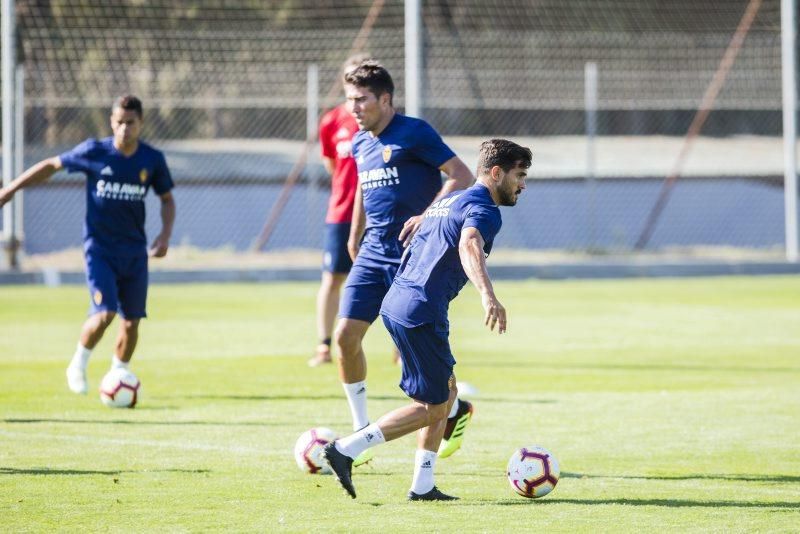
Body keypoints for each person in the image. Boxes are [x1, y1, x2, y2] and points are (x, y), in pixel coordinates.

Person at [324, 138, 532, 501]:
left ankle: (422, 485)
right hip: (419, 310)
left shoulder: (451, 200)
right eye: (519, 175)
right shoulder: (485, 209)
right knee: (434, 406)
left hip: (402, 303)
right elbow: (469, 244)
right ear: (496, 173)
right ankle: (347, 448)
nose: (523, 185)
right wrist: (487, 294)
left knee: (447, 392)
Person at [333, 60, 475, 462]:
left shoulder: (414, 132)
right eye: (349, 100)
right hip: (373, 250)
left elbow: (460, 174)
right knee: (345, 337)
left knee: (417, 359)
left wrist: (427, 216)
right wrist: (354, 232)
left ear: (385, 99)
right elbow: (364, 186)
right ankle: (360, 428)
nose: (354, 108)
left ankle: (453, 407)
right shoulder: (360, 142)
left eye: (361, 100)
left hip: (414, 259)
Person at [0, 95, 176, 395]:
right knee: (105, 313)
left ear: (140, 123)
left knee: (132, 322)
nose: (124, 129)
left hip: (134, 250)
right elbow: (52, 164)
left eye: (130, 123)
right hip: (100, 249)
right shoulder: (95, 152)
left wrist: (165, 236)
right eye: (119, 122)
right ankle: (78, 364)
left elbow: (167, 200)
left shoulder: (152, 159)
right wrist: (10, 190)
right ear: (111, 121)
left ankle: (118, 375)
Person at [309, 53, 401, 368]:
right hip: (341, 212)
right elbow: (333, 165)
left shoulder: (388, 122)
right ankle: (323, 345)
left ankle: (401, 344)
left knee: (395, 279)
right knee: (333, 277)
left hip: (383, 215)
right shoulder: (332, 121)